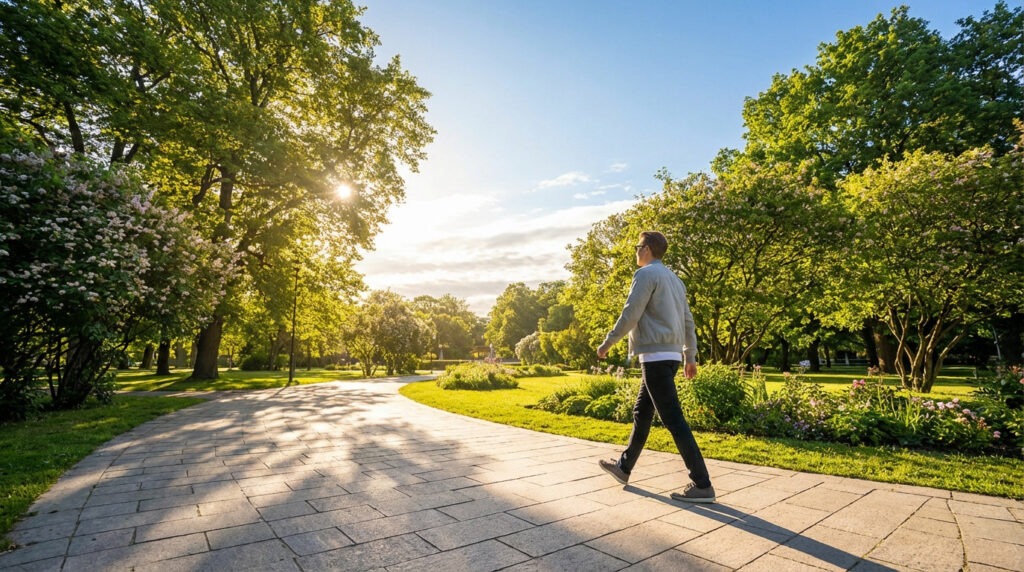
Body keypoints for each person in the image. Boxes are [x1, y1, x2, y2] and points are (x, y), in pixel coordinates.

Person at [596, 231, 715, 503]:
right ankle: (624, 468)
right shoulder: (675, 280)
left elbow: (631, 312)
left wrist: (608, 343)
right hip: (669, 355)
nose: (636, 251)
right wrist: (690, 356)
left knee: (673, 419)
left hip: (655, 356)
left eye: (638, 247)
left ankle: (702, 483)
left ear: (647, 249)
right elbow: (688, 322)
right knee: (642, 411)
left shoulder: (646, 275)